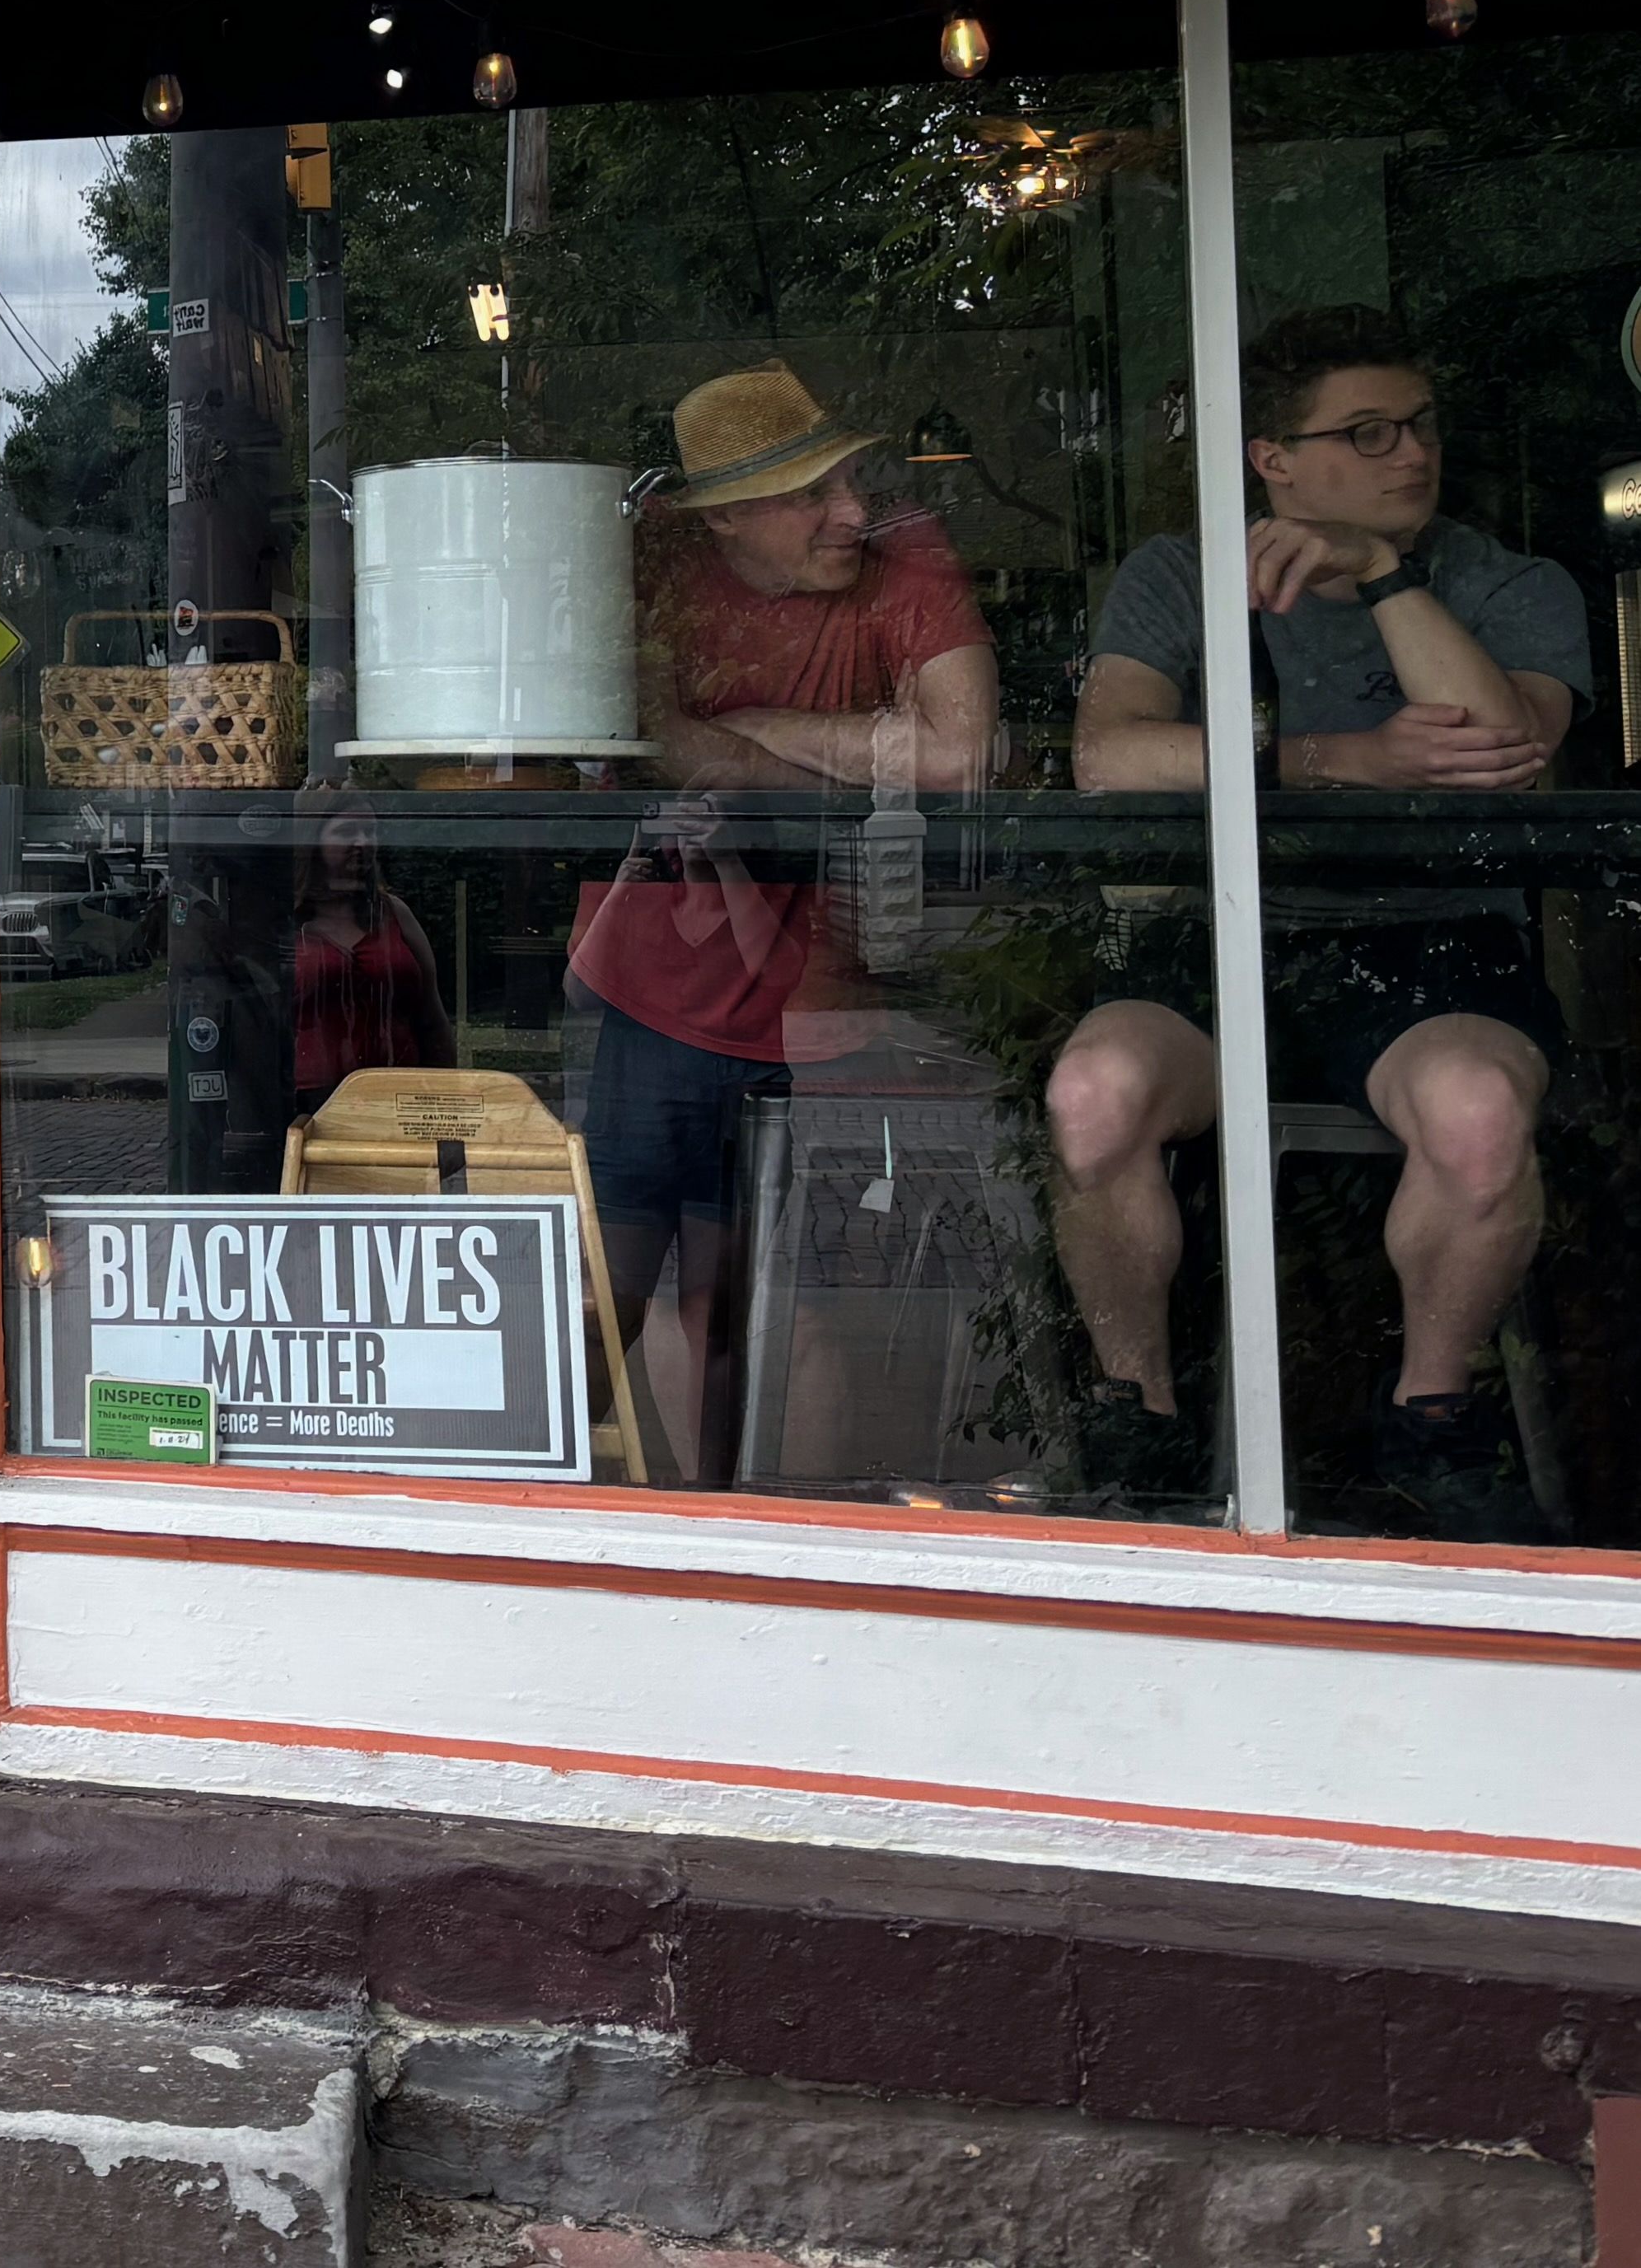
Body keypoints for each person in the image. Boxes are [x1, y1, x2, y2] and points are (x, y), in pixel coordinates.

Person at [1046, 307, 1591, 1541]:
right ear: (1270, 459)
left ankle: (1432, 1422)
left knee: (1478, 1117)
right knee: (1092, 1094)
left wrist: (1385, 577)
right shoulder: (1184, 571)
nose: (1411, 452)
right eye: (1365, 431)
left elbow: (1502, 757)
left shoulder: (1504, 580)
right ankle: (1137, 1420)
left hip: (1436, 947)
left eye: (1419, 424)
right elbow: (1106, 758)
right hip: (1221, 934)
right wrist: (1336, 757)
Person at [571, 362, 998, 1486]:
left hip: (821, 1012)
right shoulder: (652, 563)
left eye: (844, 481)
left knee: (795, 1309)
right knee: (628, 1299)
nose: (850, 513)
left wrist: (749, 730)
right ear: (721, 516)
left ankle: (783, 1560)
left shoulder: (899, 563)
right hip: (655, 993)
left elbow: (956, 756)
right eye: (810, 494)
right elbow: (640, 733)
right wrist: (852, 740)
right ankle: (637, 1540)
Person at [290, 801, 453, 1110]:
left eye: (371, 831)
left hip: (401, 1096)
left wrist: (446, 1096)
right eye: (347, 832)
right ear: (313, 842)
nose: (363, 842)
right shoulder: (286, 923)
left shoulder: (394, 914)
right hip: (309, 1104)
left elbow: (433, 1019)